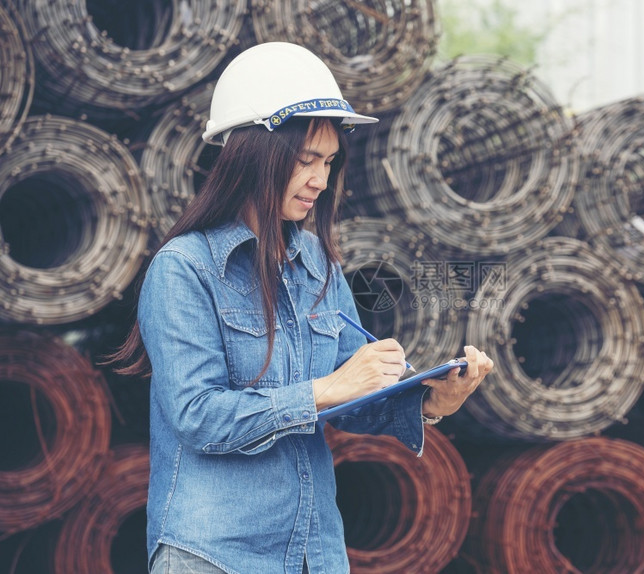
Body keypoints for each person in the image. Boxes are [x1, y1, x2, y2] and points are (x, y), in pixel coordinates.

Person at [109, 42, 493, 574]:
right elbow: (197, 417)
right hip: (214, 555)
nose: (321, 178)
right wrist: (322, 391)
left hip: (314, 554)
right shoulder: (184, 269)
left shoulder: (317, 262)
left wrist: (432, 400)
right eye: (305, 159)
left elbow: (355, 394)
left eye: (329, 161)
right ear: (251, 153)